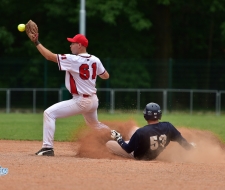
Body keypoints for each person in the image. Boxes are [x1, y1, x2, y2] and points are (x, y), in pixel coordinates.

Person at [25, 20, 110, 156]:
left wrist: (36, 42)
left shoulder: (73, 59)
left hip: (81, 101)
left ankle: (47, 148)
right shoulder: (95, 59)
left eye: (73, 43)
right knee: (95, 125)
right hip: (93, 100)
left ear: (80, 45)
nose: (70, 45)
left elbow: (49, 56)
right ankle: (116, 136)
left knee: (49, 113)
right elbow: (105, 76)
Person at [106, 102, 196, 160]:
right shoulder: (168, 126)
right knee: (133, 129)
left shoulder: (141, 132)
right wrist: (189, 147)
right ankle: (130, 141)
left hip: (138, 156)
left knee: (109, 144)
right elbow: (180, 140)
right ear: (160, 115)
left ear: (145, 115)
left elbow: (129, 149)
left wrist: (119, 138)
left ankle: (127, 141)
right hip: (154, 154)